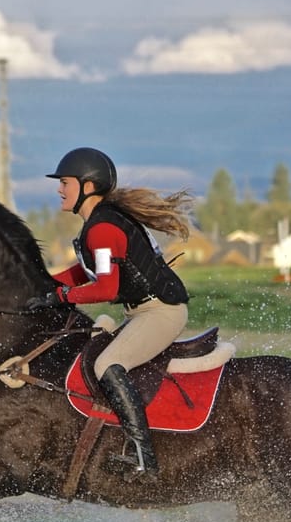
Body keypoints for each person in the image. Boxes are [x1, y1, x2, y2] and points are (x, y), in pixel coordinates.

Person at [26, 147, 193, 479]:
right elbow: (85, 270)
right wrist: (42, 285)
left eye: (65, 182)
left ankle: (145, 460)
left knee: (107, 364)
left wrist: (61, 295)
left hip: (160, 313)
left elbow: (107, 289)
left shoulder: (103, 228)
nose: (60, 189)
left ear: (88, 186)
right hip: (145, 312)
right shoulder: (101, 222)